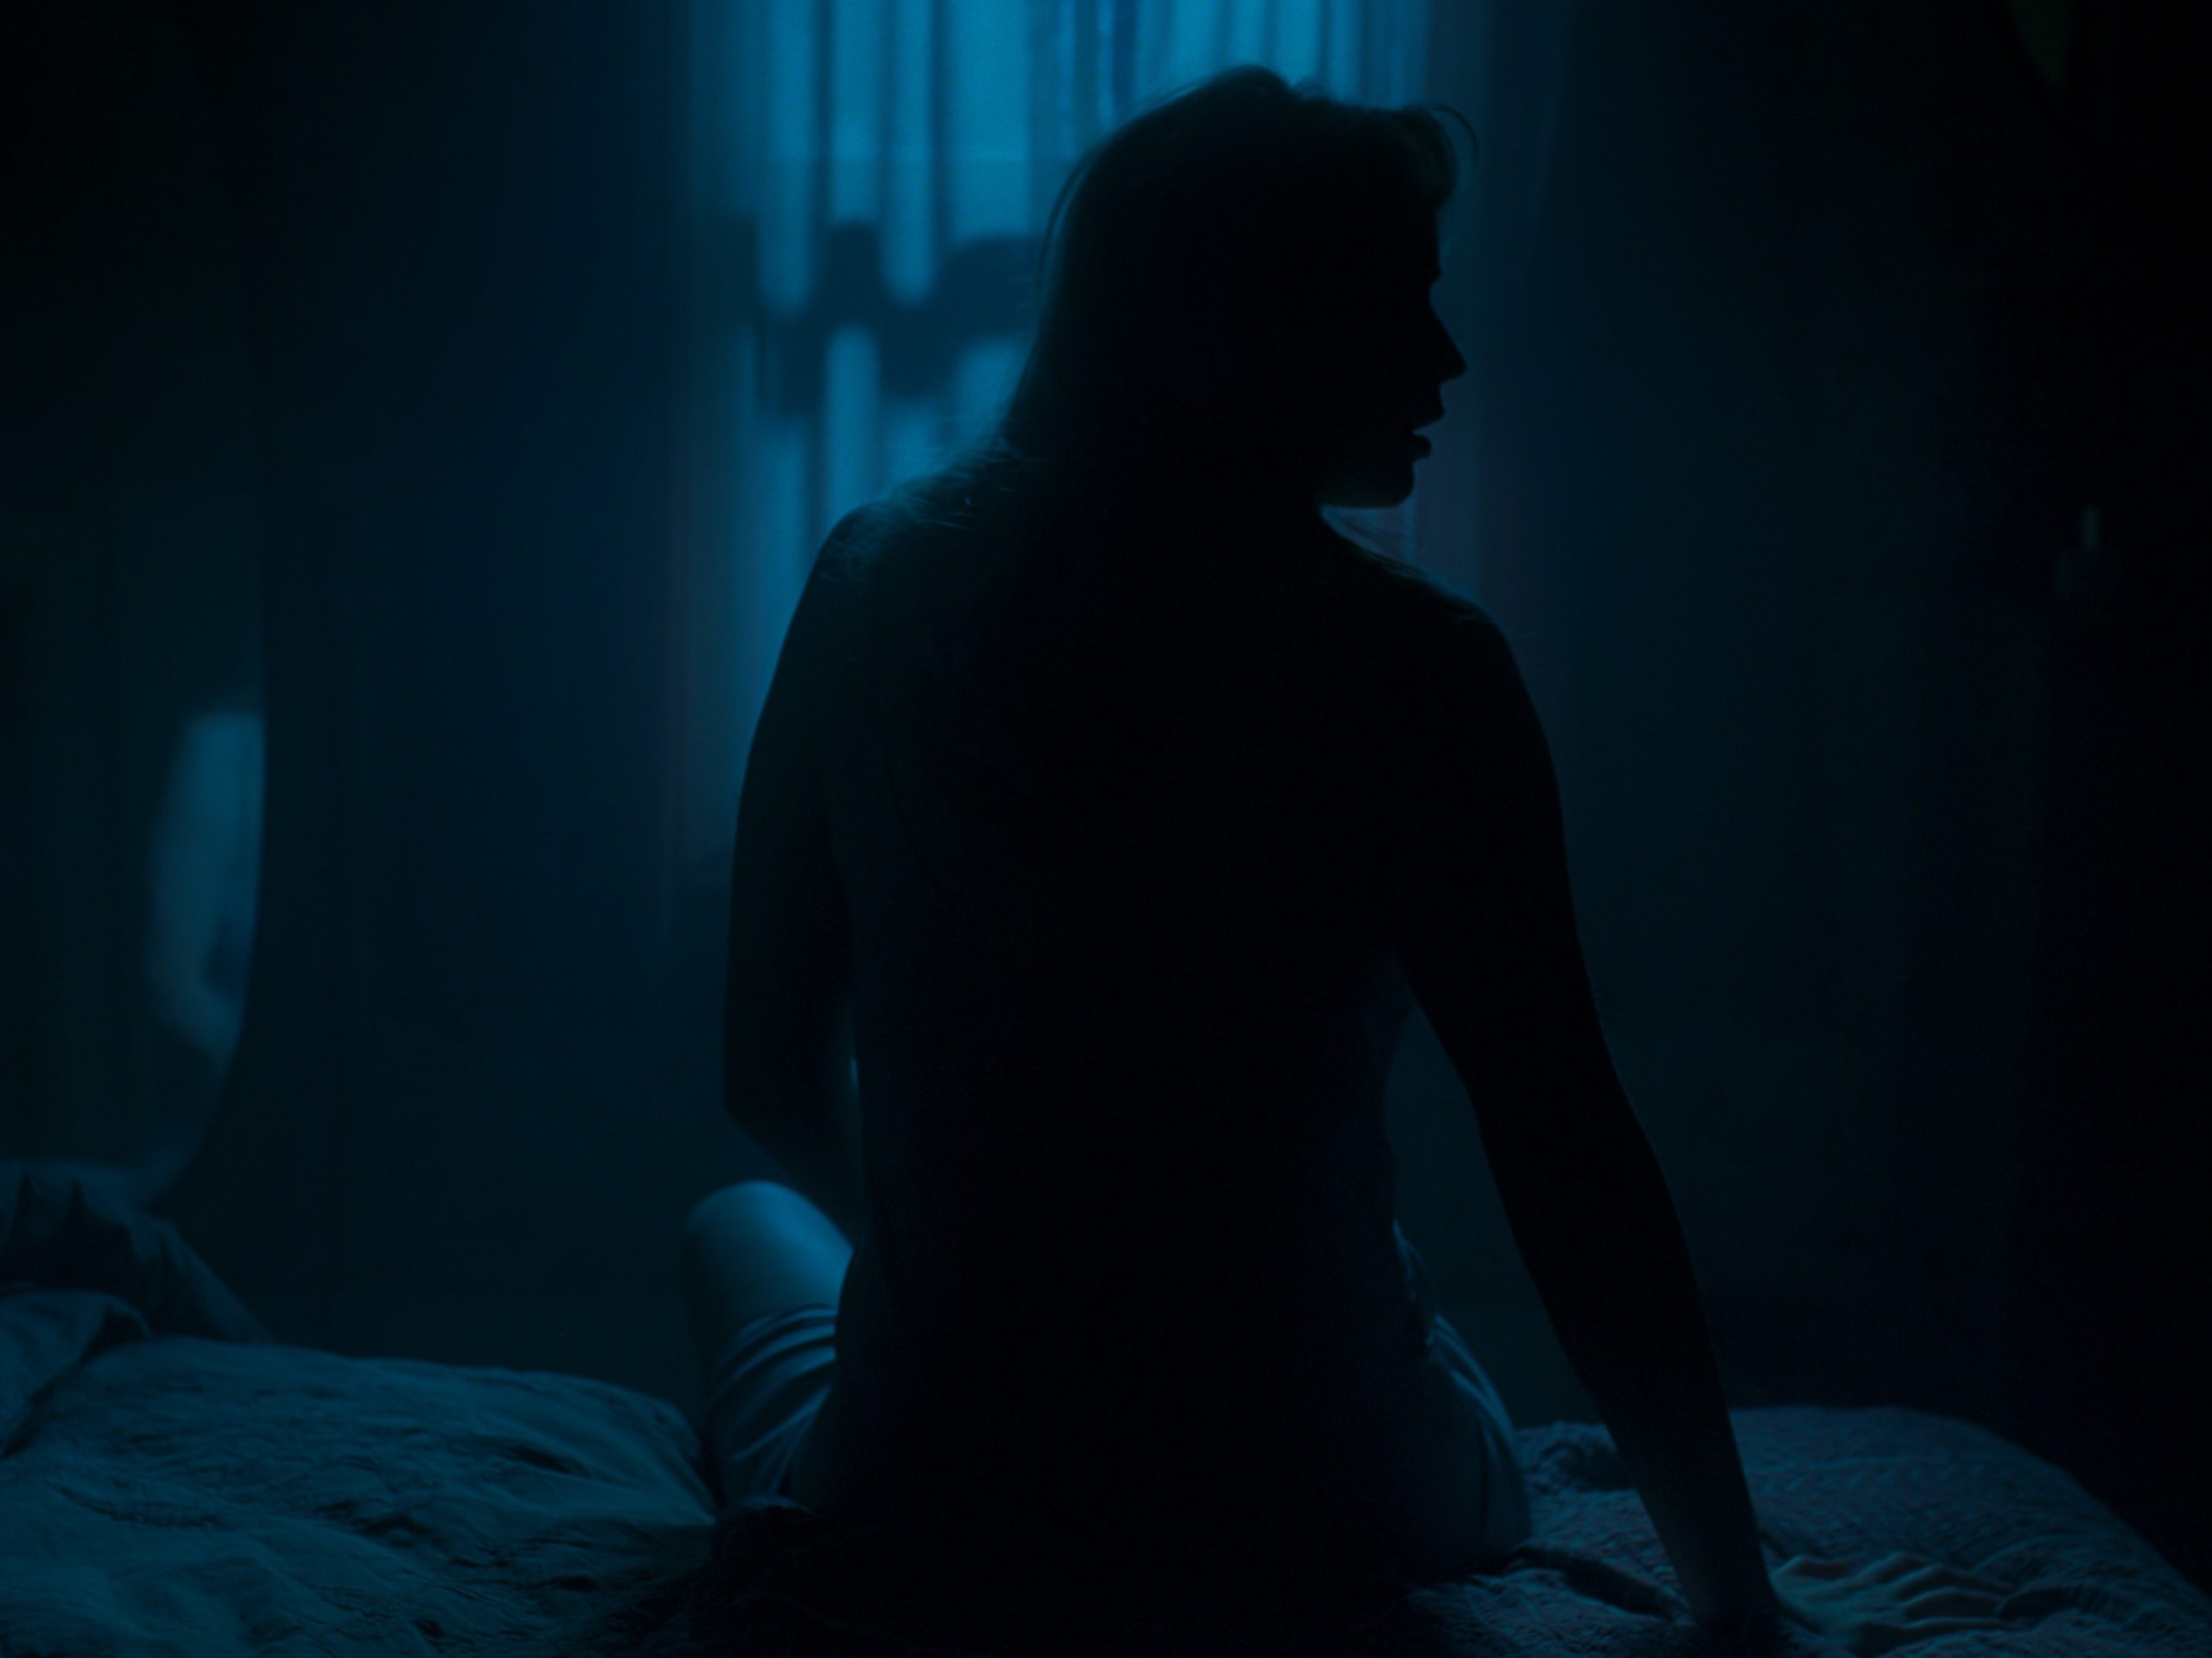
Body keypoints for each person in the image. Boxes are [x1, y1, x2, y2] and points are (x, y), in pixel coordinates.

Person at [681, 66, 2028, 1653]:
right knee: (1362, 1272)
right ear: (1238, 330)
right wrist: (1743, 1603)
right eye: (1394, 306)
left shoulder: (871, 580)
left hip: (938, 1474)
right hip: (1324, 1484)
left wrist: (981, 1277)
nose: (1447, 356)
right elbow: (1571, 1159)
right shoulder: (1420, 669)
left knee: (737, 1224)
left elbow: (768, 1074)